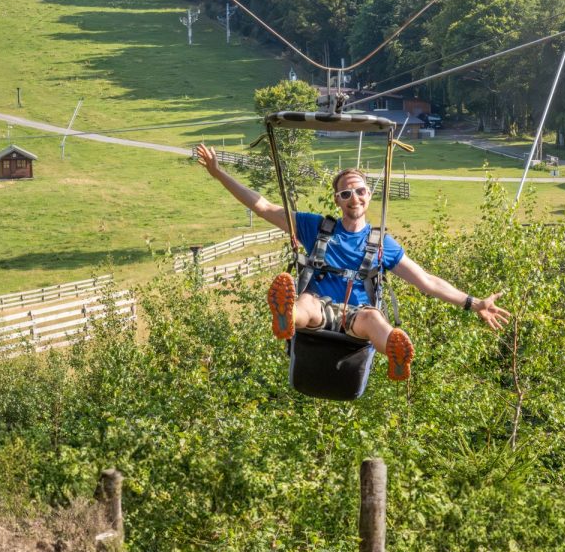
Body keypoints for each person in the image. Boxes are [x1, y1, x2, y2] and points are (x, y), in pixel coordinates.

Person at [194, 143, 510, 382]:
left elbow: (426, 281)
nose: (353, 198)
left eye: (359, 191)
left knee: (375, 320)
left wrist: (474, 303)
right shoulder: (316, 227)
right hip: (321, 306)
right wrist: (218, 173)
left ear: (368, 195)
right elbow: (263, 206)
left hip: (358, 316)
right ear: (337, 200)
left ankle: (397, 354)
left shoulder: (381, 244)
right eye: (346, 193)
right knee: (304, 302)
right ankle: (286, 317)